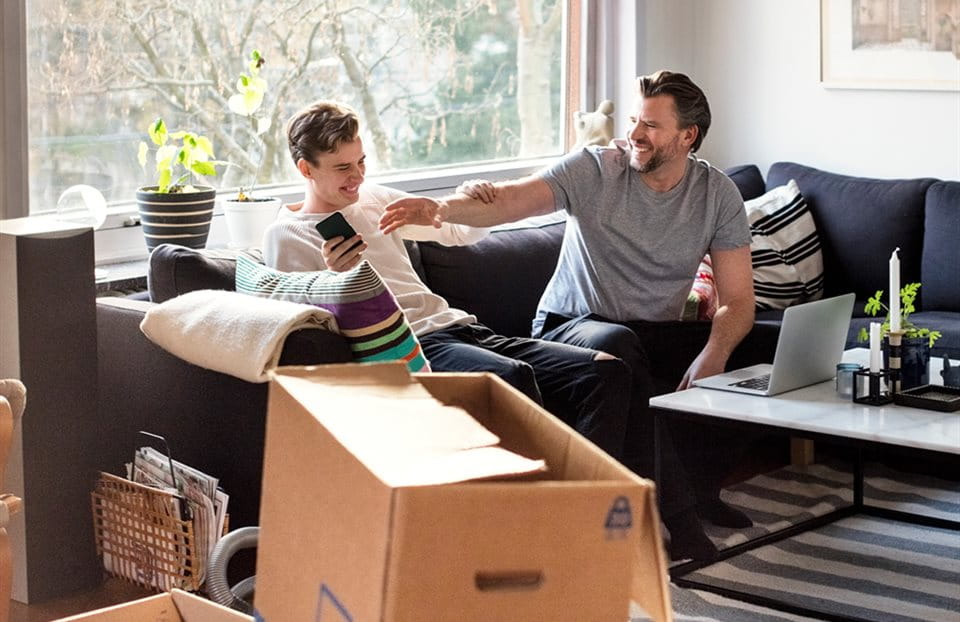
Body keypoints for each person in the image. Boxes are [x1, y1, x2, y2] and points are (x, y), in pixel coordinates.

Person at [378, 70, 781, 560]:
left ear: (687, 136)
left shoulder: (717, 194)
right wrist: (437, 209)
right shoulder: (596, 169)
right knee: (618, 348)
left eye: (651, 125)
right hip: (573, 326)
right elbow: (510, 202)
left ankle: (699, 490)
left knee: (762, 346)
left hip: (653, 328)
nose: (634, 133)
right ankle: (655, 517)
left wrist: (716, 353)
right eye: (635, 120)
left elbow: (737, 300)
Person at [261, 100, 632, 470]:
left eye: (361, 162)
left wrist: (470, 197)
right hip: (412, 347)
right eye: (343, 167)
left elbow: (456, 229)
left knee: (606, 372)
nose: (357, 176)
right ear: (305, 168)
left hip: (460, 329)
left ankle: (599, 509)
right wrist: (334, 276)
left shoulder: (374, 199)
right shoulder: (287, 234)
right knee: (510, 377)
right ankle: (540, 515)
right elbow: (303, 321)